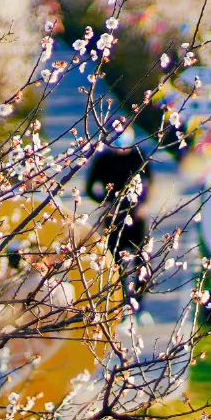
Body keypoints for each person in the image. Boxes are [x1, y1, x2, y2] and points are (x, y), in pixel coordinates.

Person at [84, 127, 150, 301]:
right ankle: (118, 299)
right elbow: (90, 188)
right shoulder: (104, 160)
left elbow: (150, 182)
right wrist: (105, 202)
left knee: (142, 258)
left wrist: (144, 204)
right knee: (114, 260)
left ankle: (138, 299)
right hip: (113, 216)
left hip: (137, 215)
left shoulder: (138, 156)